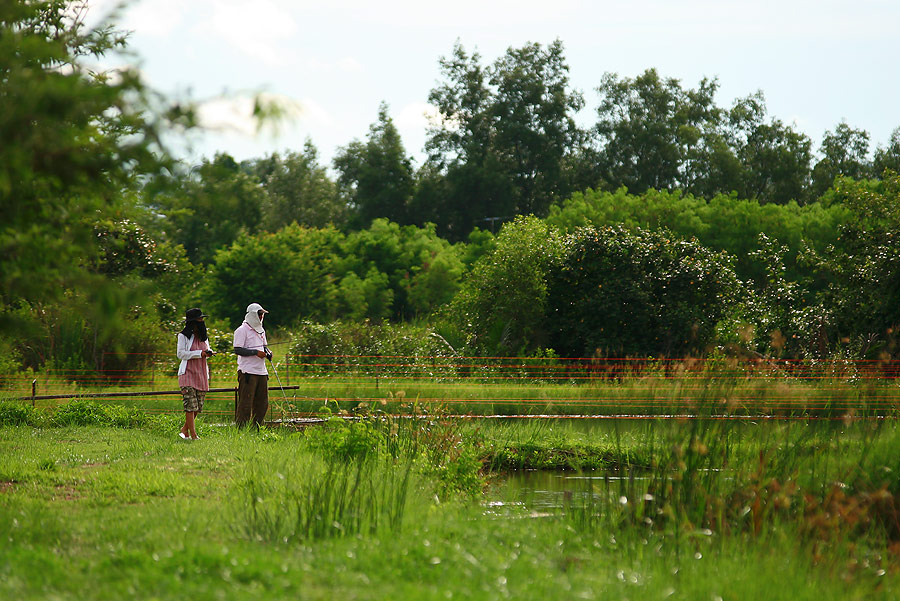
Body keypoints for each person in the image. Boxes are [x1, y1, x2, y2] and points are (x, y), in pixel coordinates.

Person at [176, 308, 215, 440]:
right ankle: (193, 435)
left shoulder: (204, 337)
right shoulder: (183, 336)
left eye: (202, 319)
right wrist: (199, 354)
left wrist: (209, 353)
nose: (202, 322)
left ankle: (184, 430)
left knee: (197, 407)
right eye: (199, 319)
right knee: (190, 405)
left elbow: (206, 350)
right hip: (187, 374)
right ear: (193, 322)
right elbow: (180, 354)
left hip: (201, 374)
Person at [232, 302, 272, 429]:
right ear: (252, 314)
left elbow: (264, 346)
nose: (261, 317)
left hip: (262, 372)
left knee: (262, 403)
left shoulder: (261, 330)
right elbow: (237, 350)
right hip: (248, 372)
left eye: (262, 315)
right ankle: (241, 430)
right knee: (246, 403)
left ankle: (257, 429)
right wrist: (255, 352)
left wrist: (267, 352)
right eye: (259, 314)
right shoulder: (241, 330)